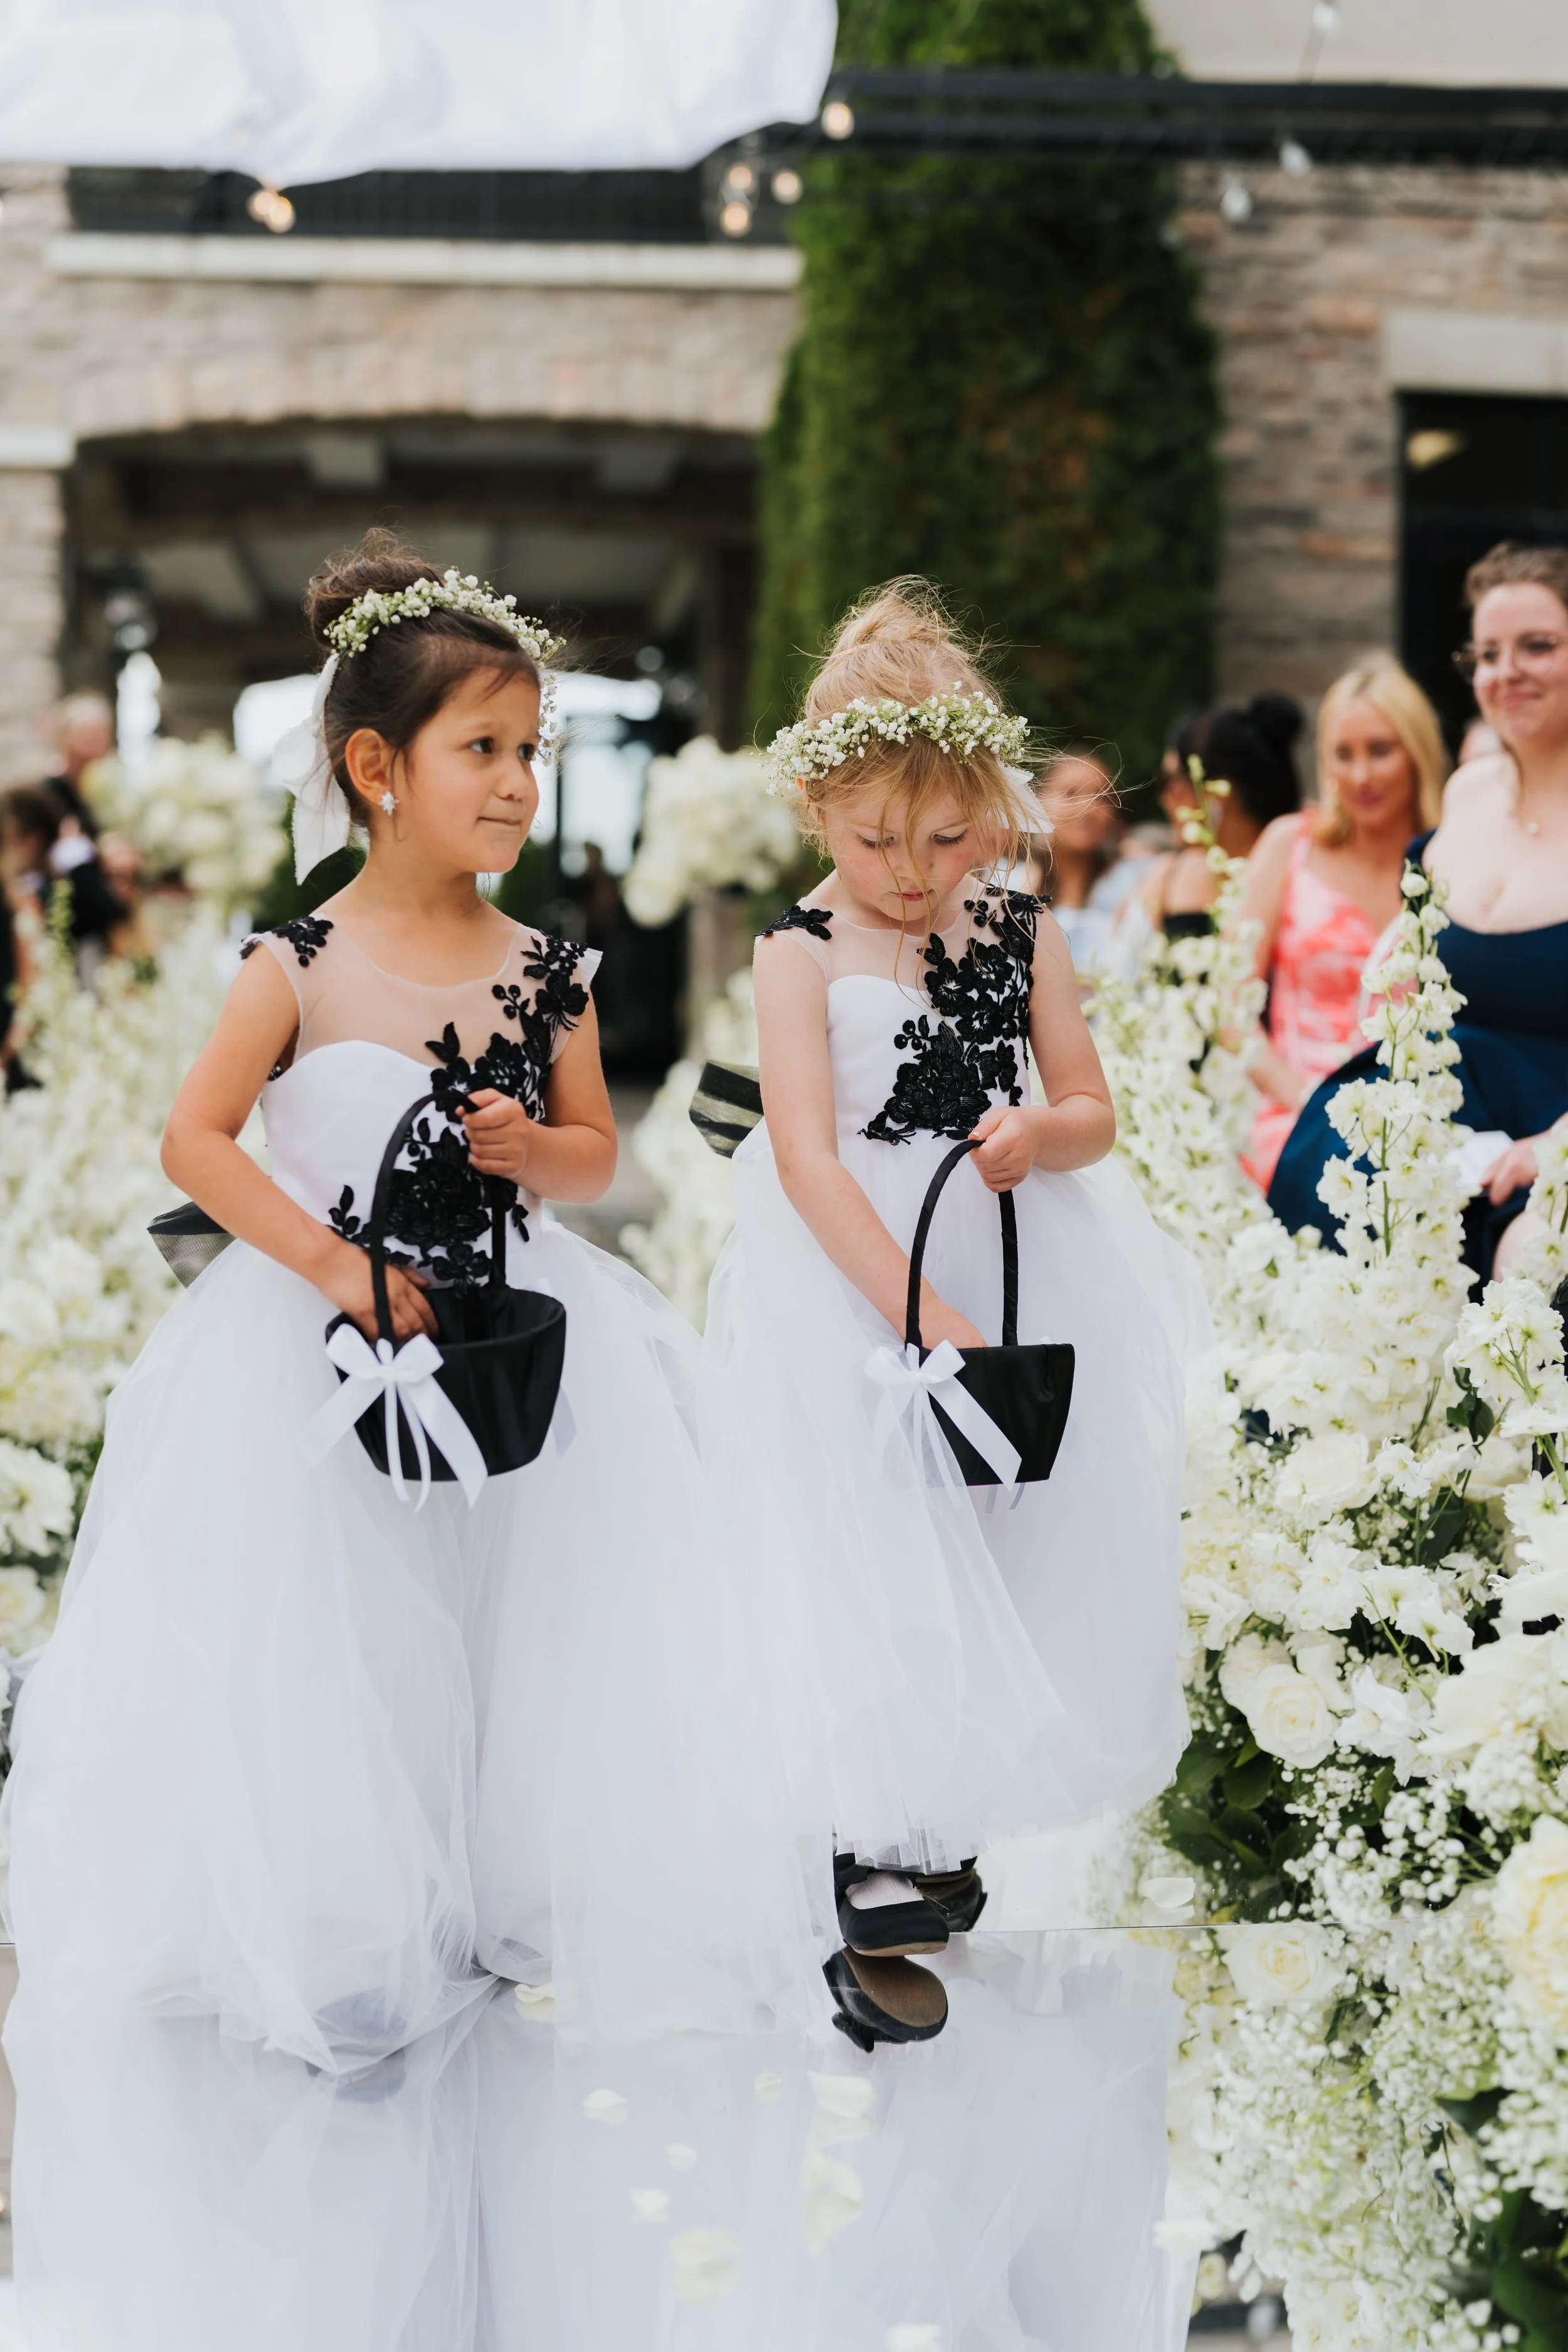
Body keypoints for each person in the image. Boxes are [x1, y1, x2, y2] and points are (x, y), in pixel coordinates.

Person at [0, 534, 818, 2350]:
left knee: (516, 1633)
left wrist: (546, 1154)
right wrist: (329, 1264)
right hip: (320, 1362)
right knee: (354, 1638)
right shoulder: (295, 961)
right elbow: (197, 1141)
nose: (518, 783)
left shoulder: (550, 967)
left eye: (534, 751)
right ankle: (364, 1954)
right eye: (484, 749)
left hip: (514, 1356)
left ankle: (497, 1936)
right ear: (376, 766)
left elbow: (596, 1150)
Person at [702, 583, 1203, 2058]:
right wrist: (923, 1319)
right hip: (856, 1283)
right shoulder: (795, 951)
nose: (914, 874)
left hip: (1016, 1256)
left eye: (944, 838)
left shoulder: (1021, 931)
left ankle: (944, 1804)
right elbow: (805, 1157)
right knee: (869, 1542)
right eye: (877, 842)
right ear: (817, 808)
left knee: (998, 1533)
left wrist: (1035, 1134)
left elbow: (1091, 1109)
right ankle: (870, 1832)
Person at [1271, 546, 1568, 1280]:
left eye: (1537, 646)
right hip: (1443, 1116)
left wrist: (1555, 1147)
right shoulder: (1468, 794)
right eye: (1487, 654)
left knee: (1528, 1258)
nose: (1506, 672)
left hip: (1547, 1135)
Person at [1235, 656, 1446, 1191]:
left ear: (1417, 752)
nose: (1361, 775)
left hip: (1424, 1127)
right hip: (1294, 1118)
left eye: (1380, 751)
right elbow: (1229, 1004)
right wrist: (1307, 1100)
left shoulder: (1452, 858)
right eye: (1343, 754)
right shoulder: (1290, 845)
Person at [1034, 747, 1142, 971]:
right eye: (1071, 793)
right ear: (1038, 801)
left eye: (1101, 797)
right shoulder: (1009, 882)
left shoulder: (1134, 883)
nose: (1088, 808)